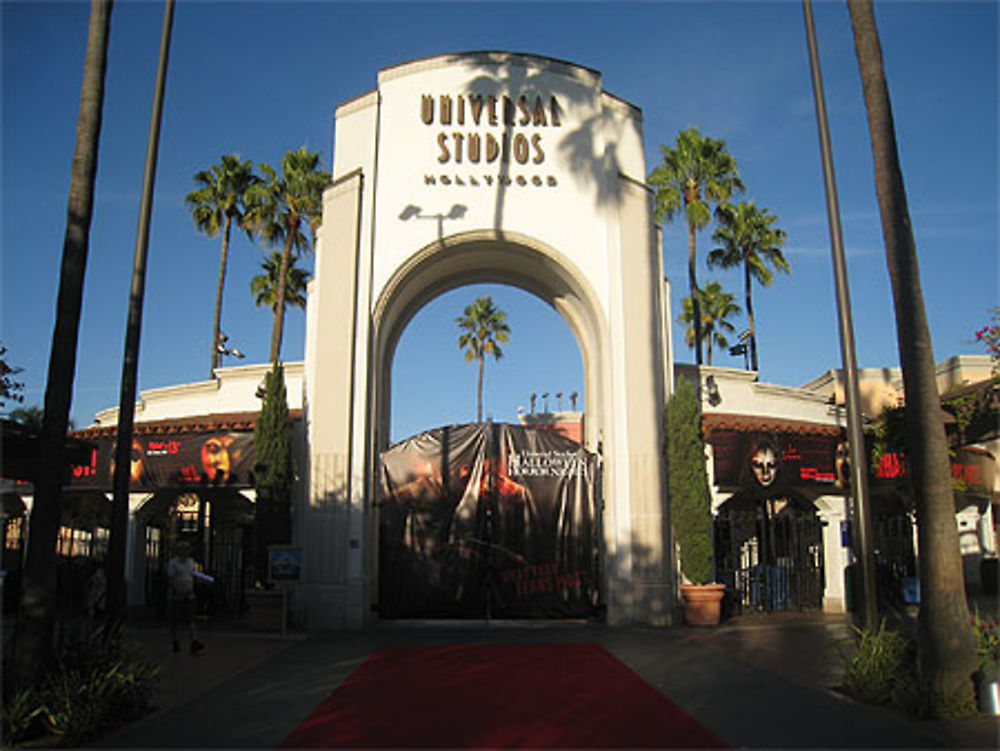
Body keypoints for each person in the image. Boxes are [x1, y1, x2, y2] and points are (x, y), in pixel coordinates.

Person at [167, 540, 204, 654]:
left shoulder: (191, 562)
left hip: (189, 593)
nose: (186, 552)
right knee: (176, 619)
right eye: (184, 549)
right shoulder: (173, 563)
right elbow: (171, 578)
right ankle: (175, 640)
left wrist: (198, 580)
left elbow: (193, 574)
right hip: (177, 594)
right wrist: (175, 589)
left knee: (191, 618)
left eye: (187, 549)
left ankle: (194, 640)